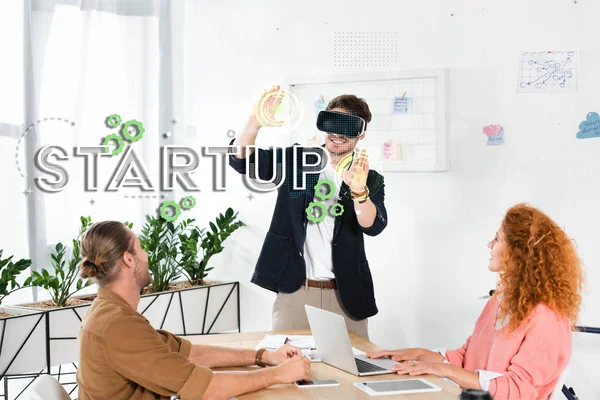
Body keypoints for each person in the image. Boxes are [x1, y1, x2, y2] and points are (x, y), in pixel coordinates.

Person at [367, 203, 584, 400]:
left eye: (498, 239)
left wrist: (445, 370)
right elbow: (467, 359)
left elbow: (520, 390)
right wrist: (417, 355)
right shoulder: (500, 300)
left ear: (519, 252)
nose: (490, 244)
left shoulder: (548, 318)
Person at [76, 221, 310, 400]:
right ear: (128, 259)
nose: (146, 256)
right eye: (141, 248)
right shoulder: (117, 326)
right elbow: (205, 389)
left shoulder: (111, 313)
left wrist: (263, 356)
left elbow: (188, 354)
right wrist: (279, 375)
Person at [229, 86, 387, 339]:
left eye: (347, 126)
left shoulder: (369, 176)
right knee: (286, 367)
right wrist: (254, 122)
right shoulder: (296, 161)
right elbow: (242, 161)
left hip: (347, 295)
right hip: (296, 290)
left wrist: (359, 190)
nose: (337, 133)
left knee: (353, 367)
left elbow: (373, 225)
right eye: (332, 123)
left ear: (361, 134)